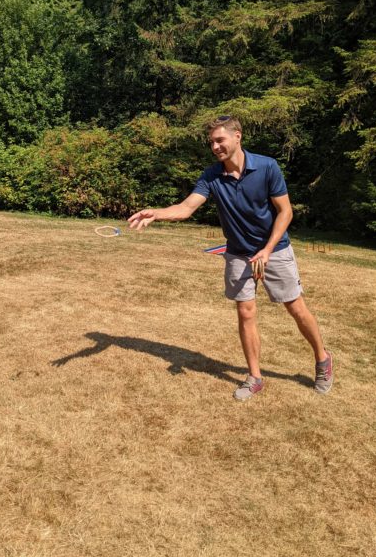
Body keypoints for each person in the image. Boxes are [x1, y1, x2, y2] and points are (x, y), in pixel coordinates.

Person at [127, 115, 333, 400]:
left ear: (238, 137)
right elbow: (187, 208)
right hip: (238, 253)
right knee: (245, 312)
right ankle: (255, 377)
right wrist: (156, 213)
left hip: (275, 249)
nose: (215, 146)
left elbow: (286, 212)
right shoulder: (212, 176)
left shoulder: (267, 167)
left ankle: (322, 359)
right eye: (211, 142)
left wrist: (268, 249)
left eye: (219, 140)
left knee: (295, 307)